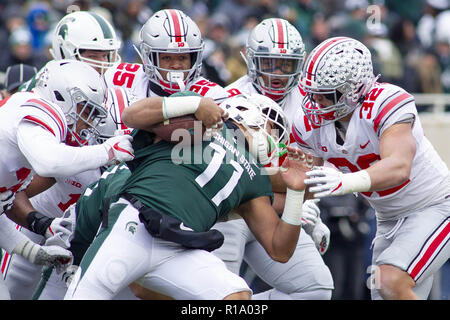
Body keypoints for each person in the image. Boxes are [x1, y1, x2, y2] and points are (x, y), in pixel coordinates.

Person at [64, 92, 312, 300]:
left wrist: (296, 192)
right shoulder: (200, 118)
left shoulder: (256, 179)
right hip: (135, 224)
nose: (275, 141)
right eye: (272, 129)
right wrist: (194, 104)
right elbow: (131, 115)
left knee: (236, 296)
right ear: (248, 113)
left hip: (181, 244)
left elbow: (280, 250)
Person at [292, 36, 450, 300]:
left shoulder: (385, 102)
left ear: (355, 89)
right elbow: (303, 177)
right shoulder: (310, 123)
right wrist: (307, 211)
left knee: (389, 280)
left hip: (434, 207)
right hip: (387, 219)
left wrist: (346, 182)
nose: (315, 101)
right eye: (313, 92)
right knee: (383, 288)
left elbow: (399, 167)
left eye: (326, 94)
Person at [0, 10, 130, 300]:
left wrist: (38, 247)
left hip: (77, 223)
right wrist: (107, 150)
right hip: (48, 211)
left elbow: (3, 201)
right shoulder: (40, 102)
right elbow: (46, 164)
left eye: (106, 54)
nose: (102, 63)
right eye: (92, 54)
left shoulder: (120, 96)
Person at [217, 17, 334, 300]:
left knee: (315, 289)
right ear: (252, 60)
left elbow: (313, 171)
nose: (278, 73)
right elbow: (235, 177)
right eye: (269, 63)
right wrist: (294, 198)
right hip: (227, 214)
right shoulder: (226, 98)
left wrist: (309, 210)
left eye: (286, 64)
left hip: (276, 211)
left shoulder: (310, 104)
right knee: (221, 292)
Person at [20, 10, 121, 91]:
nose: (102, 63)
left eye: (105, 56)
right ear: (64, 53)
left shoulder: (108, 85)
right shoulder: (47, 86)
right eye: (92, 56)